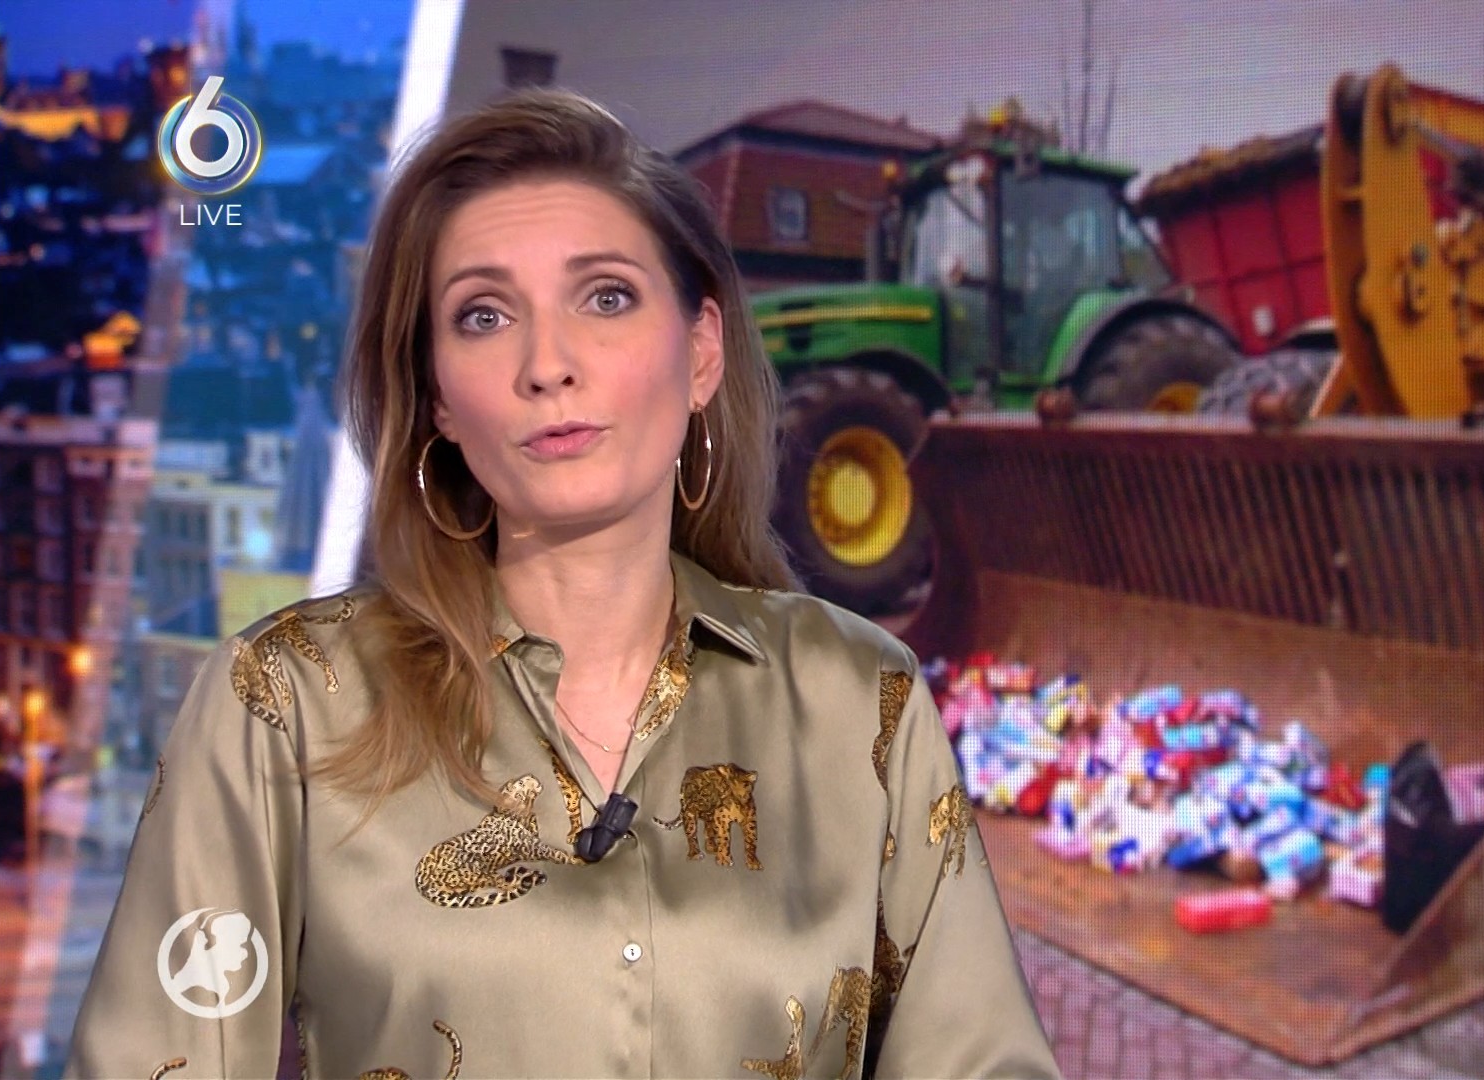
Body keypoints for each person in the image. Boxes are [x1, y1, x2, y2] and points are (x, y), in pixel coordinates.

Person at [66, 89, 1059, 1079]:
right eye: (485, 315)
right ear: (438, 397)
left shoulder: (861, 699)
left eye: (606, 297)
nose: (547, 365)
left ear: (701, 351)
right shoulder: (285, 702)